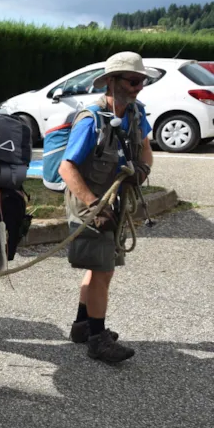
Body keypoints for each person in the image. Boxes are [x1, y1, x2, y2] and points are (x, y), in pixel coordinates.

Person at [58, 51, 154, 363]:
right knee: (103, 269)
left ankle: (82, 325)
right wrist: (95, 205)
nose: (139, 86)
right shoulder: (90, 120)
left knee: (101, 268)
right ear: (112, 82)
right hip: (91, 203)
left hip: (114, 202)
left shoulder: (136, 113)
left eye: (141, 81)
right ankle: (98, 339)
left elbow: (146, 148)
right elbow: (66, 168)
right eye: (133, 80)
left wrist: (142, 170)